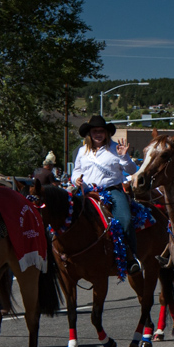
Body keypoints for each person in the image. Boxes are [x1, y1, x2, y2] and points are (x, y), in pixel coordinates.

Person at [71, 115, 142, 275]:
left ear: (106, 133)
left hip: (112, 191)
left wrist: (124, 156)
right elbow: (76, 170)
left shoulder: (116, 148)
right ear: (90, 133)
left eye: (101, 131)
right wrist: (76, 180)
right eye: (95, 131)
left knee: (125, 219)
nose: (98, 134)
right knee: (70, 217)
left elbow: (132, 170)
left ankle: (131, 257)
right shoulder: (82, 151)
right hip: (88, 193)